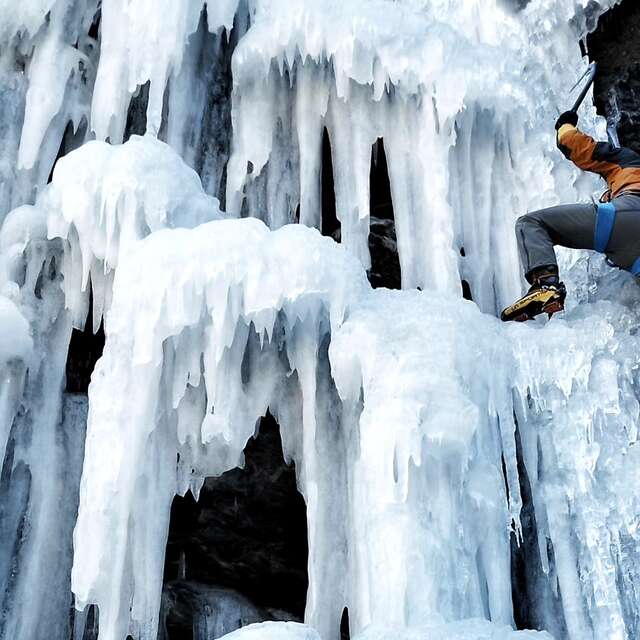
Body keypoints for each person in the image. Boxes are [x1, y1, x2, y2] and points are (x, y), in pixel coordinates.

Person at [501, 110, 640, 322]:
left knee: (531, 223)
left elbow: (578, 146)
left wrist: (565, 125)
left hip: (627, 219)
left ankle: (546, 285)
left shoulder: (630, 162)